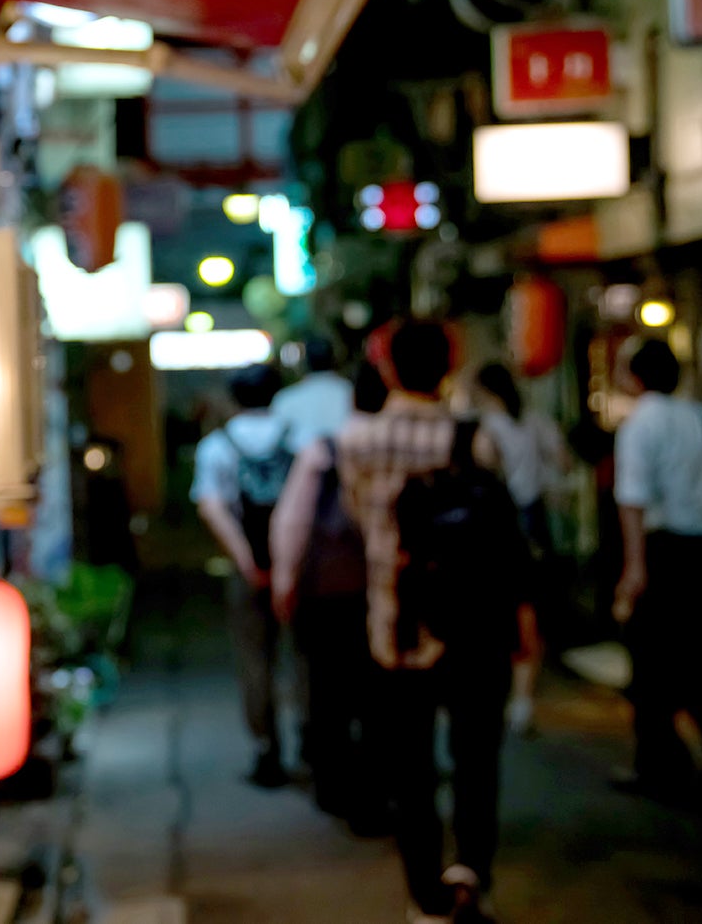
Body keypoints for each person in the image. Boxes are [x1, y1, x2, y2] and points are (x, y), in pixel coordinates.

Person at [337, 321, 515, 924]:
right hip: (472, 620)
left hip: (397, 624)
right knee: (476, 759)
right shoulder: (474, 439)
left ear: (386, 369)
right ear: (449, 367)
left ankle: (425, 896)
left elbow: (362, 521)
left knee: (410, 769)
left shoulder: (356, 440)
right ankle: (471, 876)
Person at [612, 338, 702, 803]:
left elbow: (632, 501)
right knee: (697, 664)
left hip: (665, 552)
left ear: (635, 377)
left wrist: (633, 570)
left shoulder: (640, 425)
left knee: (651, 667)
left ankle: (663, 766)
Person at [271, 360, 390, 832]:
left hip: (333, 590)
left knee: (329, 693)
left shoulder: (326, 449)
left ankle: (336, 787)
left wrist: (285, 578)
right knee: (381, 697)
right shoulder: (406, 444)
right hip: (390, 591)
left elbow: (294, 520)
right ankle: (382, 789)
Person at [192, 363, 294, 788]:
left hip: (249, 568)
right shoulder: (299, 438)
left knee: (256, 659)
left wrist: (247, 561)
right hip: (300, 565)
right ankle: (315, 739)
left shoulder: (217, 446)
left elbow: (212, 506)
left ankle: (266, 748)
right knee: (308, 658)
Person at [471, 362, 568, 735]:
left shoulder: (484, 428)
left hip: (496, 525)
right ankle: (523, 700)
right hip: (534, 521)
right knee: (529, 612)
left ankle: (500, 695)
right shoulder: (535, 420)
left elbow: (482, 470)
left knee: (496, 610)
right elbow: (562, 460)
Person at [271, 334, 354, 453]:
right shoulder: (349, 391)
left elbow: (279, 439)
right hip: (349, 461)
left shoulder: (286, 398)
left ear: (304, 362)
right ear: (334, 358)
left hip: (301, 463)